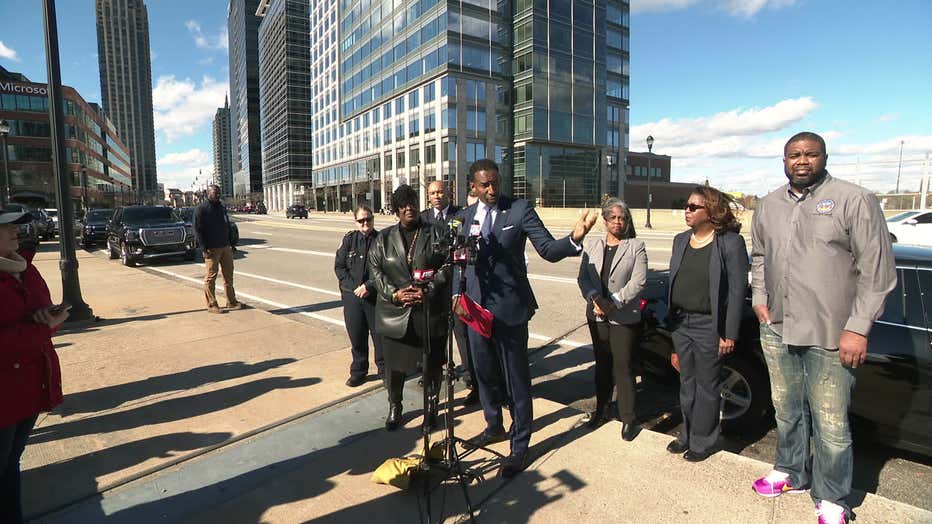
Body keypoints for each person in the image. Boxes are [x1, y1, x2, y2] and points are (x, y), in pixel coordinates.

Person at [750, 132, 895, 524]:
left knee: (831, 422)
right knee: (786, 410)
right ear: (784, 160)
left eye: (810, 154)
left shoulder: (855, 200)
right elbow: (760, 256)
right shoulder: (768, 205)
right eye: (794, 155)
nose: (801, 161)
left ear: (824, 157)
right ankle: (791, 471)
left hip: (832, 334)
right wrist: (759, 298)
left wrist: (858, 328)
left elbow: (877, 272)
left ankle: (832, 497)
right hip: (778, 327)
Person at [456, 159, 598, 478]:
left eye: (496, 183)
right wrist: (457, 296)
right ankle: (493, 425)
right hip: (475, 309)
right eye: (485, 185)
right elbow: (459, 260)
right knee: (484, 374)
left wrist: (573, 239)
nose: (492, 190)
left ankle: (520, 445)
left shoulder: (519, 210)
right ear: (473, 187)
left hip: (509, 310)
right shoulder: (465, 217)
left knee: (515, 379)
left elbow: (547, 249)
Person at [666, 185, 748, 462]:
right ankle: (687, 435)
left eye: (693, 207)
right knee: (687, 383)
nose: (686, 211)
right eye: (686, 206)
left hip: (709, 325)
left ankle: (703, 441)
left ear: (711, 211)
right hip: (681, 323)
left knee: (707, 386)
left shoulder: (729, 243)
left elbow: (737, 291)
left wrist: (728, 333)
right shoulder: (680, 240)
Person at [0, 207, 68, 523]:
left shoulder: (24, 267)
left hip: (30, 385)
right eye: (6, 227)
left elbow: (40, 304)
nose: (16, 231)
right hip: (5, 393)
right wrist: (42, 327)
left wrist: (43, 314)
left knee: (11, 463)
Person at [368, 185, 451, 430]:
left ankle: (431, 408)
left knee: (432, 366)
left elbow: (447, 265)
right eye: (403, 204)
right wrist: (395, 294)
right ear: (396, 209)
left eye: (412, 202)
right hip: (394, 314)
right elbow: (376, 270)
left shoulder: (436, 233)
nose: (409, 208)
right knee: (395, 368)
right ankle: (395, 406)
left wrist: (428, 289)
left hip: (428, 313)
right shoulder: (383, 239)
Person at [577, 198, 647, 441]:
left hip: (622, 315)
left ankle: (629, 418)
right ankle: (601, 411)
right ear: (605, 220)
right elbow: (583, 278)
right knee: (602, 365)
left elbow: (638, 282)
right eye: (614, 217)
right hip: (596, 313)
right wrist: (596, 298)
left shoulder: (635, 246)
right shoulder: (592, 244)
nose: (618, 222)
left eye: (622, 218)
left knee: (622, 366)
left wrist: (612, 302)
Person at [420, 180, 479, 405]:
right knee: (434, 337)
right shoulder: (423, 218)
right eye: (433, 193)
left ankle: (472, 380)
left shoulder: (461, 215)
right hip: (433, 290)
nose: (437, 196)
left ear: (448, 193)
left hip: (456, 287)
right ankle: (435, 376)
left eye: (441, 192)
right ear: (428, 196)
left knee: (463, 337)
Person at [335, 204, 384, 387]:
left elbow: (386, 269)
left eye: (368, 219)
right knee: (357, 337)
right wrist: (355, 287)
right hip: (352, 297)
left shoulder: (381, 240)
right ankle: (359, 371)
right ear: (355, 222)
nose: (365, 223)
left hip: (374, 297)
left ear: (373, 219)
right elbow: (339, 267)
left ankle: (384, 370)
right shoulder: (349, 240)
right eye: (361, 220)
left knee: (379, 337)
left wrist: (368, 286)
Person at [194, 185, 240, 314]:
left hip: (225, 246)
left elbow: (227, 226)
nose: (218, 195)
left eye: (219, 193)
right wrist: (203, 248)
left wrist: (232, 243)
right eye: (215, 193)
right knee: (211, 277)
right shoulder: (201, 209)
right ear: (208, 194)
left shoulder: (221, 208)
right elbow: (197, 230)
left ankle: (231, 301)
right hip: (211, 249)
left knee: (228, 276)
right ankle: (212, 304)